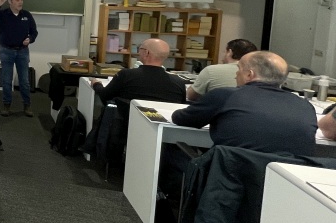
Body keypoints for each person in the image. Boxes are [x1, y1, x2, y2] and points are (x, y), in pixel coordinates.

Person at [171, 51, 317, 155]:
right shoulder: (305, 106)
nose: (236, 74)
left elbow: (182, 119)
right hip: (284, 184)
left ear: (249, 75)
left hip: (228, 179)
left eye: (238, 69)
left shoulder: (225, 95)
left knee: (173, 154)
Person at [0, 0, 37, 116]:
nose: (20, 2)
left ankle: (27, 105)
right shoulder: (3, 14)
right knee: (6, 80)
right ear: (10, 2)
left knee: (24, 81)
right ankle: (6, 105)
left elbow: (34, 32)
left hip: (22, 52)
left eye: (21, 0)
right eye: (17, 0)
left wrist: (30, 39)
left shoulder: (26, 15)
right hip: (6, 51)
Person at [90, 38, 187, 107]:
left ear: (146, 53)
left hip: (126, 126)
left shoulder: (126, 75)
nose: (138, 52)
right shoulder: (178, 82)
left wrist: (96, 84)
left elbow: (105, 96)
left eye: (140, 49)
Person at [186, 38, 257, 101]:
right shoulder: (259, 74)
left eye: (224, 52)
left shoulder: (211, 70)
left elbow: (191, 96)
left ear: (229, 52)